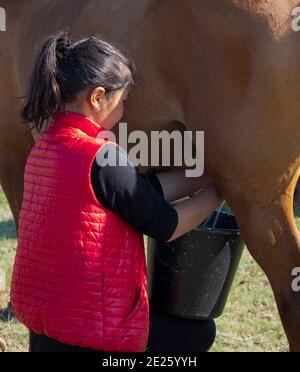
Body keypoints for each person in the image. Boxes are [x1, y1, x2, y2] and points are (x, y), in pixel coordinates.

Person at [10, 31, 222, 352]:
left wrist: (205, 176)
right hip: (94, 334)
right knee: (196, 333)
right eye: (122, 101)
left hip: (48, 328)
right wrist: (221, 191)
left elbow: (136, 194)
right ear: (97, 98)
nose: (123, 110)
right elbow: (166, 224)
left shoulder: (47, 146)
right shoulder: (101, 155)